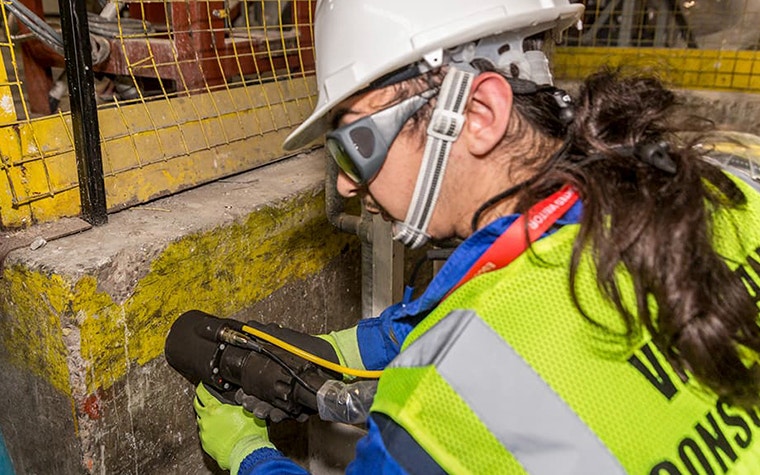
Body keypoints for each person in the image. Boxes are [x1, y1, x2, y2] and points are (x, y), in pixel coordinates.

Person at [190, 0, 760, 473]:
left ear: (479, 112)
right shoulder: (726, 185)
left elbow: (494, 345)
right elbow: (503, 295)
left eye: (356, 143)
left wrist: (249, 456)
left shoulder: (438, 412)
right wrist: (350, 348)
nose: (343, 183)